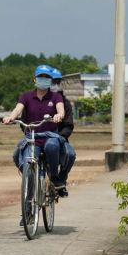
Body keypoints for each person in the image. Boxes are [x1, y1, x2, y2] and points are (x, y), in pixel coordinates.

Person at [3, 64, 65, 188]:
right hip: (33, 137)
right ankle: (28, 179)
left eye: (46, 77)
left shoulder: (56, 96)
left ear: (51, 80)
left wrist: (59, 115)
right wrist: (11, 117)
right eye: (40, 76)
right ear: (34, 79)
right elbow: (17, 109)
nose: (43, 79)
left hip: (50, 136)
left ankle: (54, 177)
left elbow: (61, 109)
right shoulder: (26, 96)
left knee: (52, 147)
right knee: (21, 157)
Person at [49, 67, 76, 198]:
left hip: (59, 138)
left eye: (57, 81)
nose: (54, 84)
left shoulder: (65, 103)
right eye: (52, 81)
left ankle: (61, 179)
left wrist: (60, 137)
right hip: (37, 137)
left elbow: (68, 125)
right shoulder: (34, 99)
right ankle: (29, 180)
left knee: (70, 154)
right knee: (18, 154)